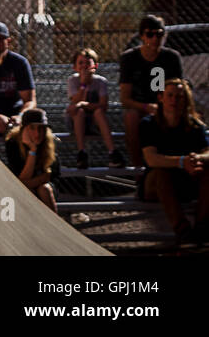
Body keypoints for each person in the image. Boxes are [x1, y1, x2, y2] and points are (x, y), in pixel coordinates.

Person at [138, 79, 209, 246]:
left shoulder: (194, 125)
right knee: (162, 173)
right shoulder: (149, 124)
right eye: (170, 95)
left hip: (186, 181)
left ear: (186, 100)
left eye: (179, 97)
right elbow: (151, 158)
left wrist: (197, 159)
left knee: (208, 173)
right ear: (161, 97)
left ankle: (202, 230)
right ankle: (183, 231)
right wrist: (182, 161)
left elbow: (207, 151)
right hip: (155, 185)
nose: (174, 101)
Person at [121, 14, 185, 157]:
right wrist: (146, 107)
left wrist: (163, 106)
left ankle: (172, 161)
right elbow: (125, 99)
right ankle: (139, 171)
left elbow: (180, 89)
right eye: (150, 34)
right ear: (142, 36)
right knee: (131, 117)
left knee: (177, 116)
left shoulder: (172, 57)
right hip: (140, 107)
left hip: (166, 105)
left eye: (159, 34)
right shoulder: (129, 58)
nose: (155, 39)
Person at [67, 47, 122, 168]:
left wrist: (85, 104)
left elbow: (103, 105)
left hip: (95, 122)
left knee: (98, 112)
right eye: (80, 63)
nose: (84, 66)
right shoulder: (73, 80)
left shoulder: (101, 81)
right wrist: (83, 84)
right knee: (79, 112)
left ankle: (113, 152)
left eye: (88, 63)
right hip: (77, 121)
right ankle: (82, 152)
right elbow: (75, 103)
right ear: (74, 67)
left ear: (95, 66)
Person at [5, 108, 60, 211]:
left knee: (44, 189)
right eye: (32, 128)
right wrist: (32, 150)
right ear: (23, 129)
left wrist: (26, 183)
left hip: (45, 187)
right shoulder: (13, 143)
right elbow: (21, 178)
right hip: (23, 188)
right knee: (27, 191)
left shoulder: (49, 142)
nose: (37, 133)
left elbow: (49, 176)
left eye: (41, 128)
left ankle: (55, 225)